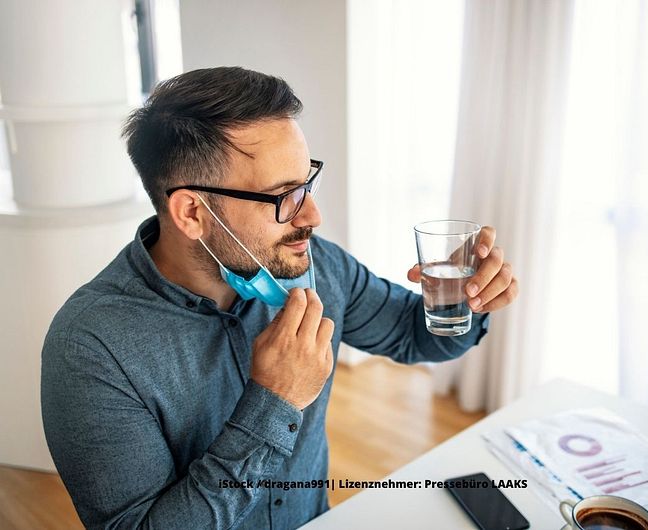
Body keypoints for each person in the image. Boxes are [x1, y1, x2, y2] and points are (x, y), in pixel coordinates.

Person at [40, 67, 518, 530]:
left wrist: (461, 299)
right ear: (191, 212)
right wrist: (275, 401)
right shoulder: (89, 349)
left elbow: (419, 338)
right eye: (282, 195)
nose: (313, 214)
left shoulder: (318, 266)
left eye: (306, 181)